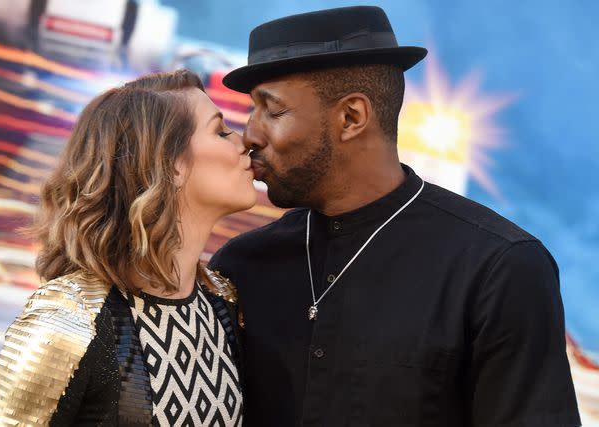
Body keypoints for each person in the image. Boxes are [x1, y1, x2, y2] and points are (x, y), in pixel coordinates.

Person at [208, 6, 581, 427]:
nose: (250, 134)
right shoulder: (239, 267)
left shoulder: (498, 269)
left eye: (271, 110)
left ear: (351, 117)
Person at [0, 70, 254, 426]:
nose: (244, 141)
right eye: (220, 131)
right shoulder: (64, 322)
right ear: (169, 163)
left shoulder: (226, 304)